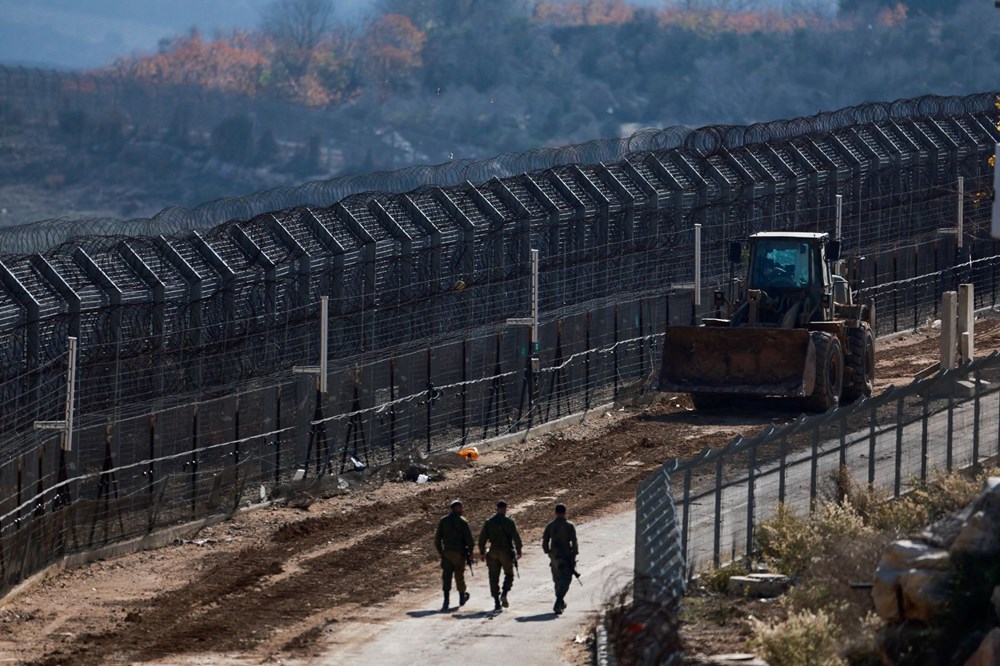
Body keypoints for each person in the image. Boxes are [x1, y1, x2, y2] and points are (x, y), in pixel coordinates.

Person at [477, 500, 523, 612]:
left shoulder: (489, 522)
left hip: (493, 552)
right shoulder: (510, 522)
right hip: (506, 552)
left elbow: (481, 540)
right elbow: (516, 538)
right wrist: (519, 550)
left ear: (496, 508)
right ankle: (504, 593)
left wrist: (482, 552)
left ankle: (497, 602)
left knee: (493, 577)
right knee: (509, 574)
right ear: (505, 509)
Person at [434, 498, 475, 612]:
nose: (462, 509)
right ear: (456, 508)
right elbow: (469, 541)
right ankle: (462, 598)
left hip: (447, 553)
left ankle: (446, 602)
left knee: (446, 577)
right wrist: (471, 553)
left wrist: (441, 552)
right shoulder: (463, 521)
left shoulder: (443, 521)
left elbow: (437, 540)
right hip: (459, 554)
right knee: (459, 576)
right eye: (460, 507)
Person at [542, 503, 578, 615]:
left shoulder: (550, 525)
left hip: (554, 557)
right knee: (566, 579)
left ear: (555, 512)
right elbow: (574, 542)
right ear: (565, 512)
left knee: (557, 579)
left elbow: (545, 541)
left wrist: (548, 552)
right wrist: (574, 554)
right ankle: (558, 602)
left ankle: (561, 602)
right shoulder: (569, 525)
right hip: (566, 556)